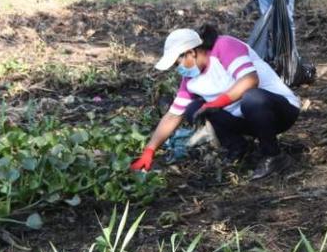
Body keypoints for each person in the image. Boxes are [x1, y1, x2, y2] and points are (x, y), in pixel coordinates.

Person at [129, 25, 301, 180]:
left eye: (177, 63)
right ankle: (239, 148)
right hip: (247, 121)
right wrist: (149, 150)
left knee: (252, 98)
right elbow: (173, 115)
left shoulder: (224, 46)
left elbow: (250, 80)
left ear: (191, 52)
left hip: (279, 111)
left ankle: (274, 156)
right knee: (193, 109)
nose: (178, 69)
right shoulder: (189, 78)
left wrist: (216, 103)